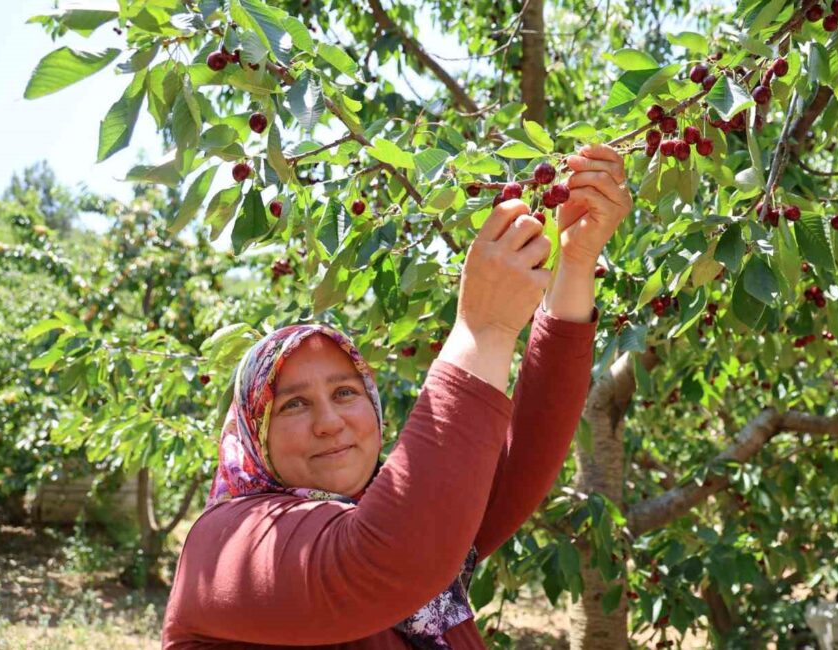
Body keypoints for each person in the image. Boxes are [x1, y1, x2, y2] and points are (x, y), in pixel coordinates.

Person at [162, 145, 633, 648]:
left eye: (345, 392)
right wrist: (484, 329)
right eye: (293, 403)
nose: (330, 422)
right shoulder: (223, 545)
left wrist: (575, 266)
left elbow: (527, 449)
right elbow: (380, 561)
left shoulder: (410, 515)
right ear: (254, 436)